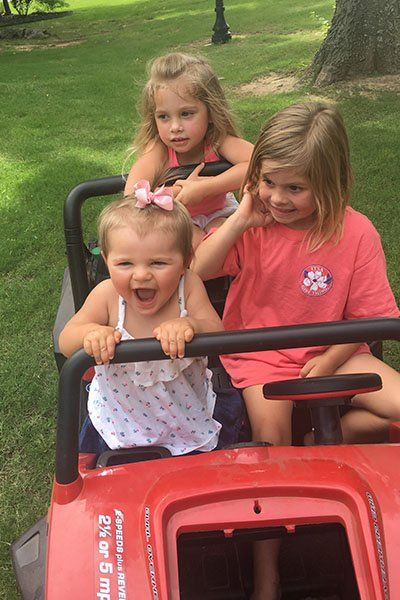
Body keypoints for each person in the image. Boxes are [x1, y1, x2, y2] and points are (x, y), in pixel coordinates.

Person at [193, 101, 400, 599]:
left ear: (329, 183)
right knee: (270, 444)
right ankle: (269, 573)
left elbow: (373, 320)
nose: (278, 198)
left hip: (338, 350)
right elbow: (197, 270)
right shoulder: (256, 225)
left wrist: (329, 359)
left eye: (294, 188)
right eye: (267, 183)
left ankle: (328, 444)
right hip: (261, 353)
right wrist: (241, 219)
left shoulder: (357, 233)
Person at [59, 192, 229, 457]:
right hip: (118, 423)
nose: (141, 274)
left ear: (185, 261)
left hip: (184, 419)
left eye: (158, 263)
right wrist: (91, 334)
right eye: (125, 263)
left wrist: (192, 324)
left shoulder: (189, 286)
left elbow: (217, 333)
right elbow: (67, 340)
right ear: (107, 261)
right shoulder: (107, 295)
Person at [124, 52, 253, 248]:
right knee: (194, 243)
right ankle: (195, 278)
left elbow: (258, 164)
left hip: (219, 212)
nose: (175, 127)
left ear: (210, 112)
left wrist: (206, 187)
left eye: (186, 114)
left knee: (228, 239)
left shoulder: (217, 141)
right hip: (176, 218)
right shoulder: (159, 149)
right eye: (164, 117)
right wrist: (176, 192)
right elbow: (133, 194)